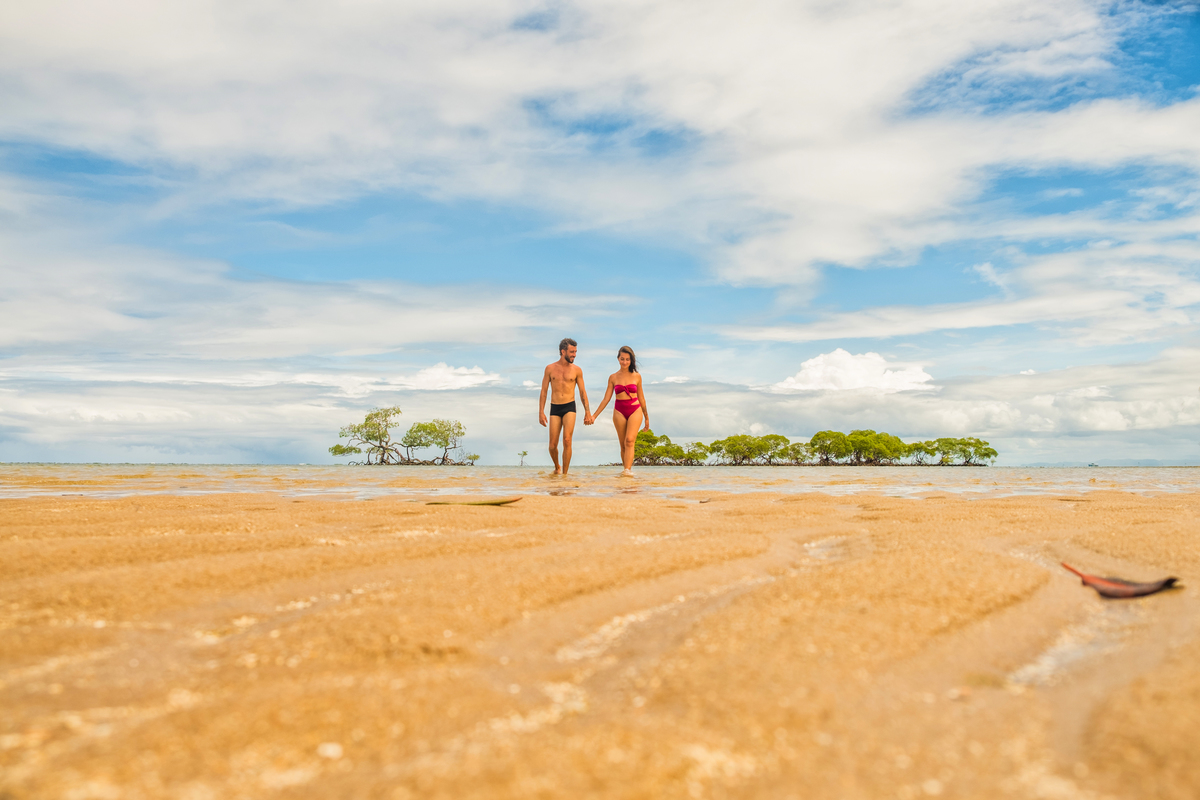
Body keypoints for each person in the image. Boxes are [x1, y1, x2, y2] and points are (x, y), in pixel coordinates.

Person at [591, 345, 650, 476]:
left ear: (631, 360)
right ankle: (626, 470)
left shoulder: (637, 376)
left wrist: (646, 417)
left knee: (629, 440)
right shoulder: (613, 377)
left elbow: (642, 398)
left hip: (635, 409)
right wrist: (594, 416)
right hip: (619, 410)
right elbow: (606, 399)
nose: (624, 362)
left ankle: (627, 471)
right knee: (623, 444)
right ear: (618, 359)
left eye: (627, 359)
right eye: (622, 359)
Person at [538, 337, 593, 475]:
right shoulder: (550, 369)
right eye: (572, 351)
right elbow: (544, 391)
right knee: (552, 445)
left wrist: (587, 412)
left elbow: (582, 391)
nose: (574, 354)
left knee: (567, 440)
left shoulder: (577, 370)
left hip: (569, 406)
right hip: (555, 408)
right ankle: (557, 466)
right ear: (563, 351)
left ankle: (565, 475)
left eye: (575, 351)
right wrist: (541, 412)